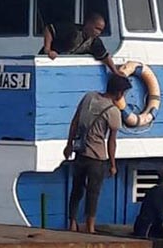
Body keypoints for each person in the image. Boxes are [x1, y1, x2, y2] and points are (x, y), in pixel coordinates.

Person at [63, 74, 132, 233]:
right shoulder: (113, 111)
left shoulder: (88, 97)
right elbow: (111, 142)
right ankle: (90, 226)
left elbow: (75, 122)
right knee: (93, 193)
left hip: (80, 153)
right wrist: (113, 165)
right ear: (119, 92)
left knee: (76, 189)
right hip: (97, 157)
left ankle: (72, 223)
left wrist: (69, 144)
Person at [40, 13, 124, 76]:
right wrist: (48, 49)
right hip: (46, 62)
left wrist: (115, 72)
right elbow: (49, 29)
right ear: (88, 24)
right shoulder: (72, 30)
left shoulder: (95, 41)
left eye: (100, 30)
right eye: (97, 28)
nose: (98, 32)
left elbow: (105, 56)